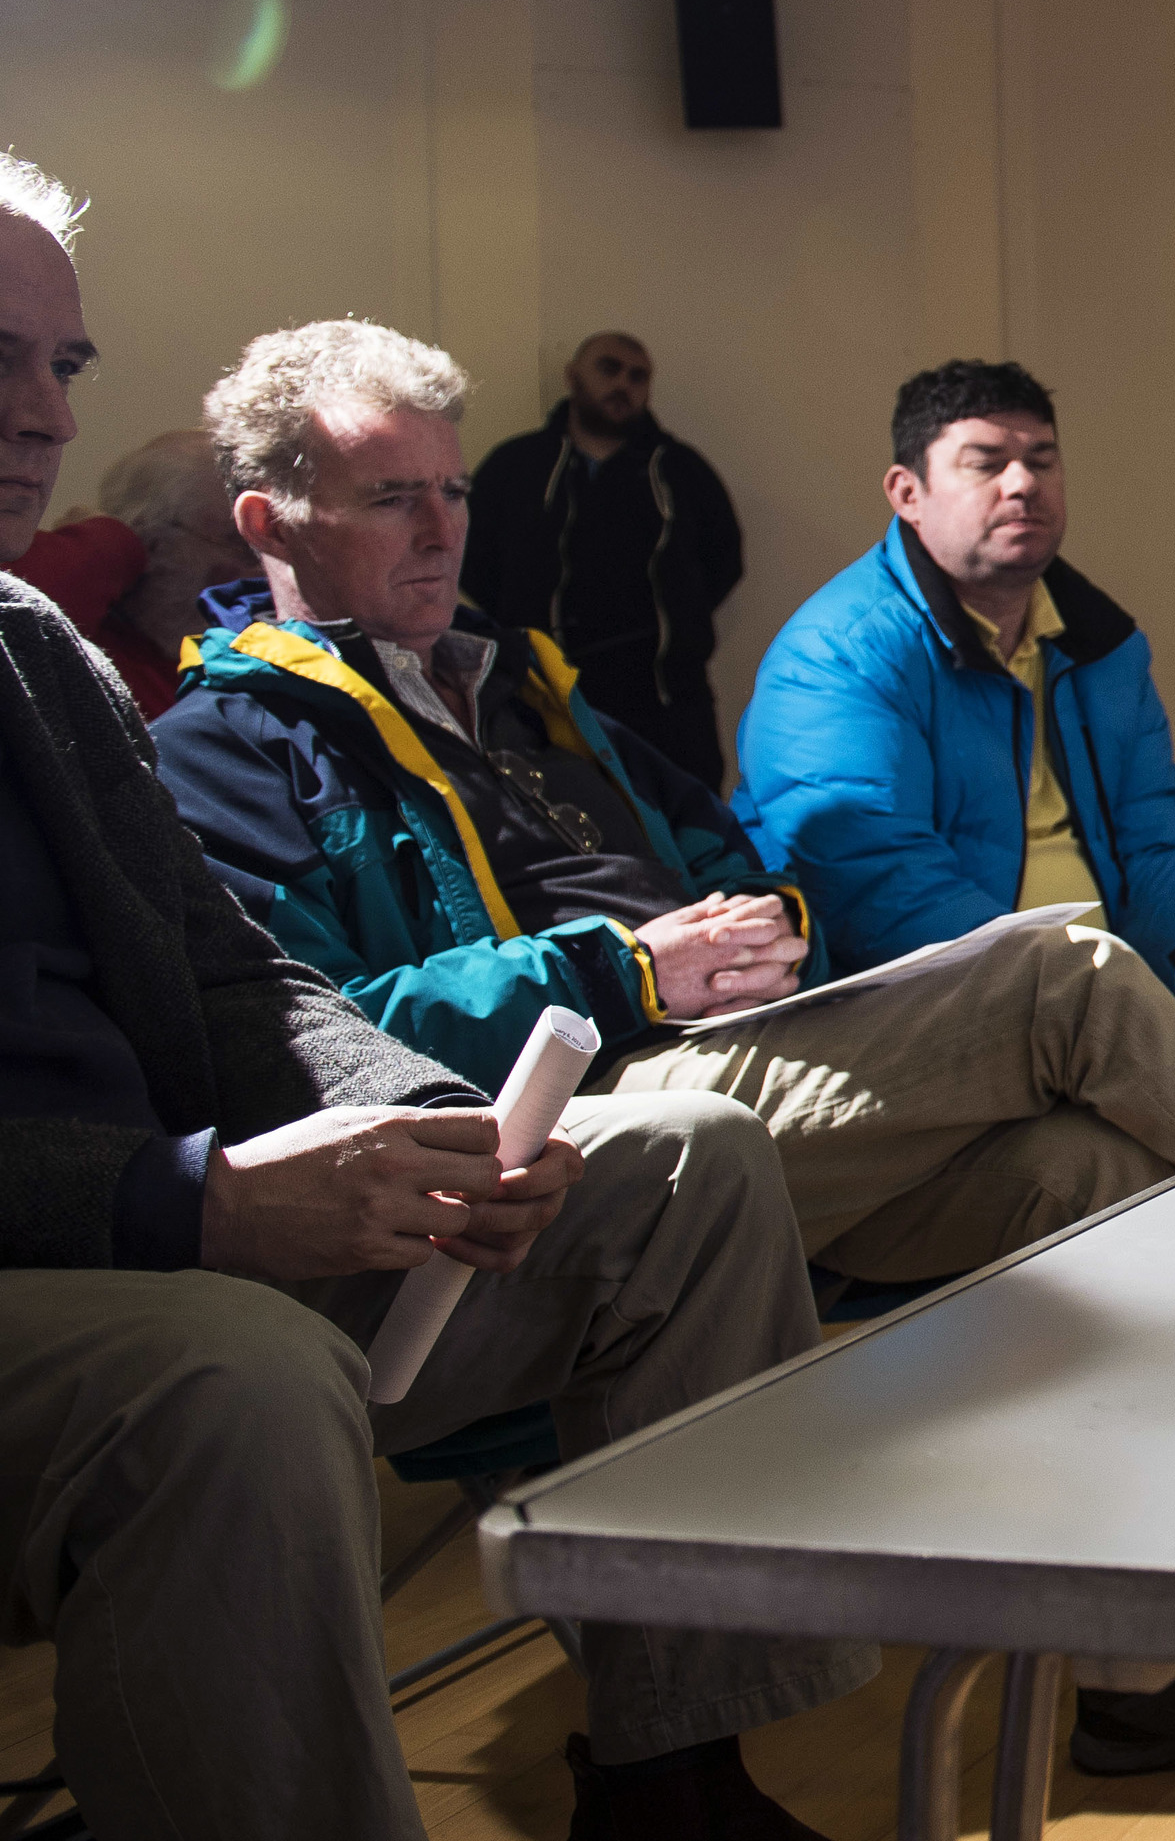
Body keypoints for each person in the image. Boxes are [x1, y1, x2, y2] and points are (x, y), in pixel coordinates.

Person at [151, 319, 1175, 1777]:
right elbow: (305, 1030)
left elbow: (749, 849)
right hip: (557, 1127)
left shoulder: (524, 691)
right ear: (270, 522)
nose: (442, 529)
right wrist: (628, 964)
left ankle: (1151, 1675)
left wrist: (769, 924)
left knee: (1086, 1169)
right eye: (394, 499)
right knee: (1062, 972)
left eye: (452, 492)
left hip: (745, 1061)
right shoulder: (221, 747)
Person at [0, 156, 882, 1837]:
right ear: (274, 529)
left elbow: (237, 979)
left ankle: (676, 1778)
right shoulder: (222, 720)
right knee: (226, 1381)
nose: (40, 412)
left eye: (64, 366)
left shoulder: (39, 647)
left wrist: (419, 1120)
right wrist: (182, 1194)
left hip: (218, 1211)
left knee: (686, 1161)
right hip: (112, 1254)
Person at [734, 360, 1175, 1122]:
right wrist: (1114, 1003)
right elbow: (882, 890)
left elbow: (1154, 846)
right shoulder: (838, 654)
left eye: (1041, 461)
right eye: (985, 464)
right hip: (951, 1002)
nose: (1021, 484)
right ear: (907, 493)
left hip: (1106, 981)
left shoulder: (1102, 647)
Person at [462, 329, 744, 789]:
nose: (623, 385)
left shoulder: (681, 471)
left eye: (638, 376)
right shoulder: (518, 466)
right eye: (608, 368)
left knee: (690, 847)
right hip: (545, 704)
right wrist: (519, 618)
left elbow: (723, 560)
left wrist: (676, 621)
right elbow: (472, 557)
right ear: (574, 376)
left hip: (667, 705)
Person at [3, 425, 255, 714]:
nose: (262, 572)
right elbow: (12, 610)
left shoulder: (229, 658)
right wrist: (110, 540)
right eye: (240, 546)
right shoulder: (85, 648)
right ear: (154, 544)